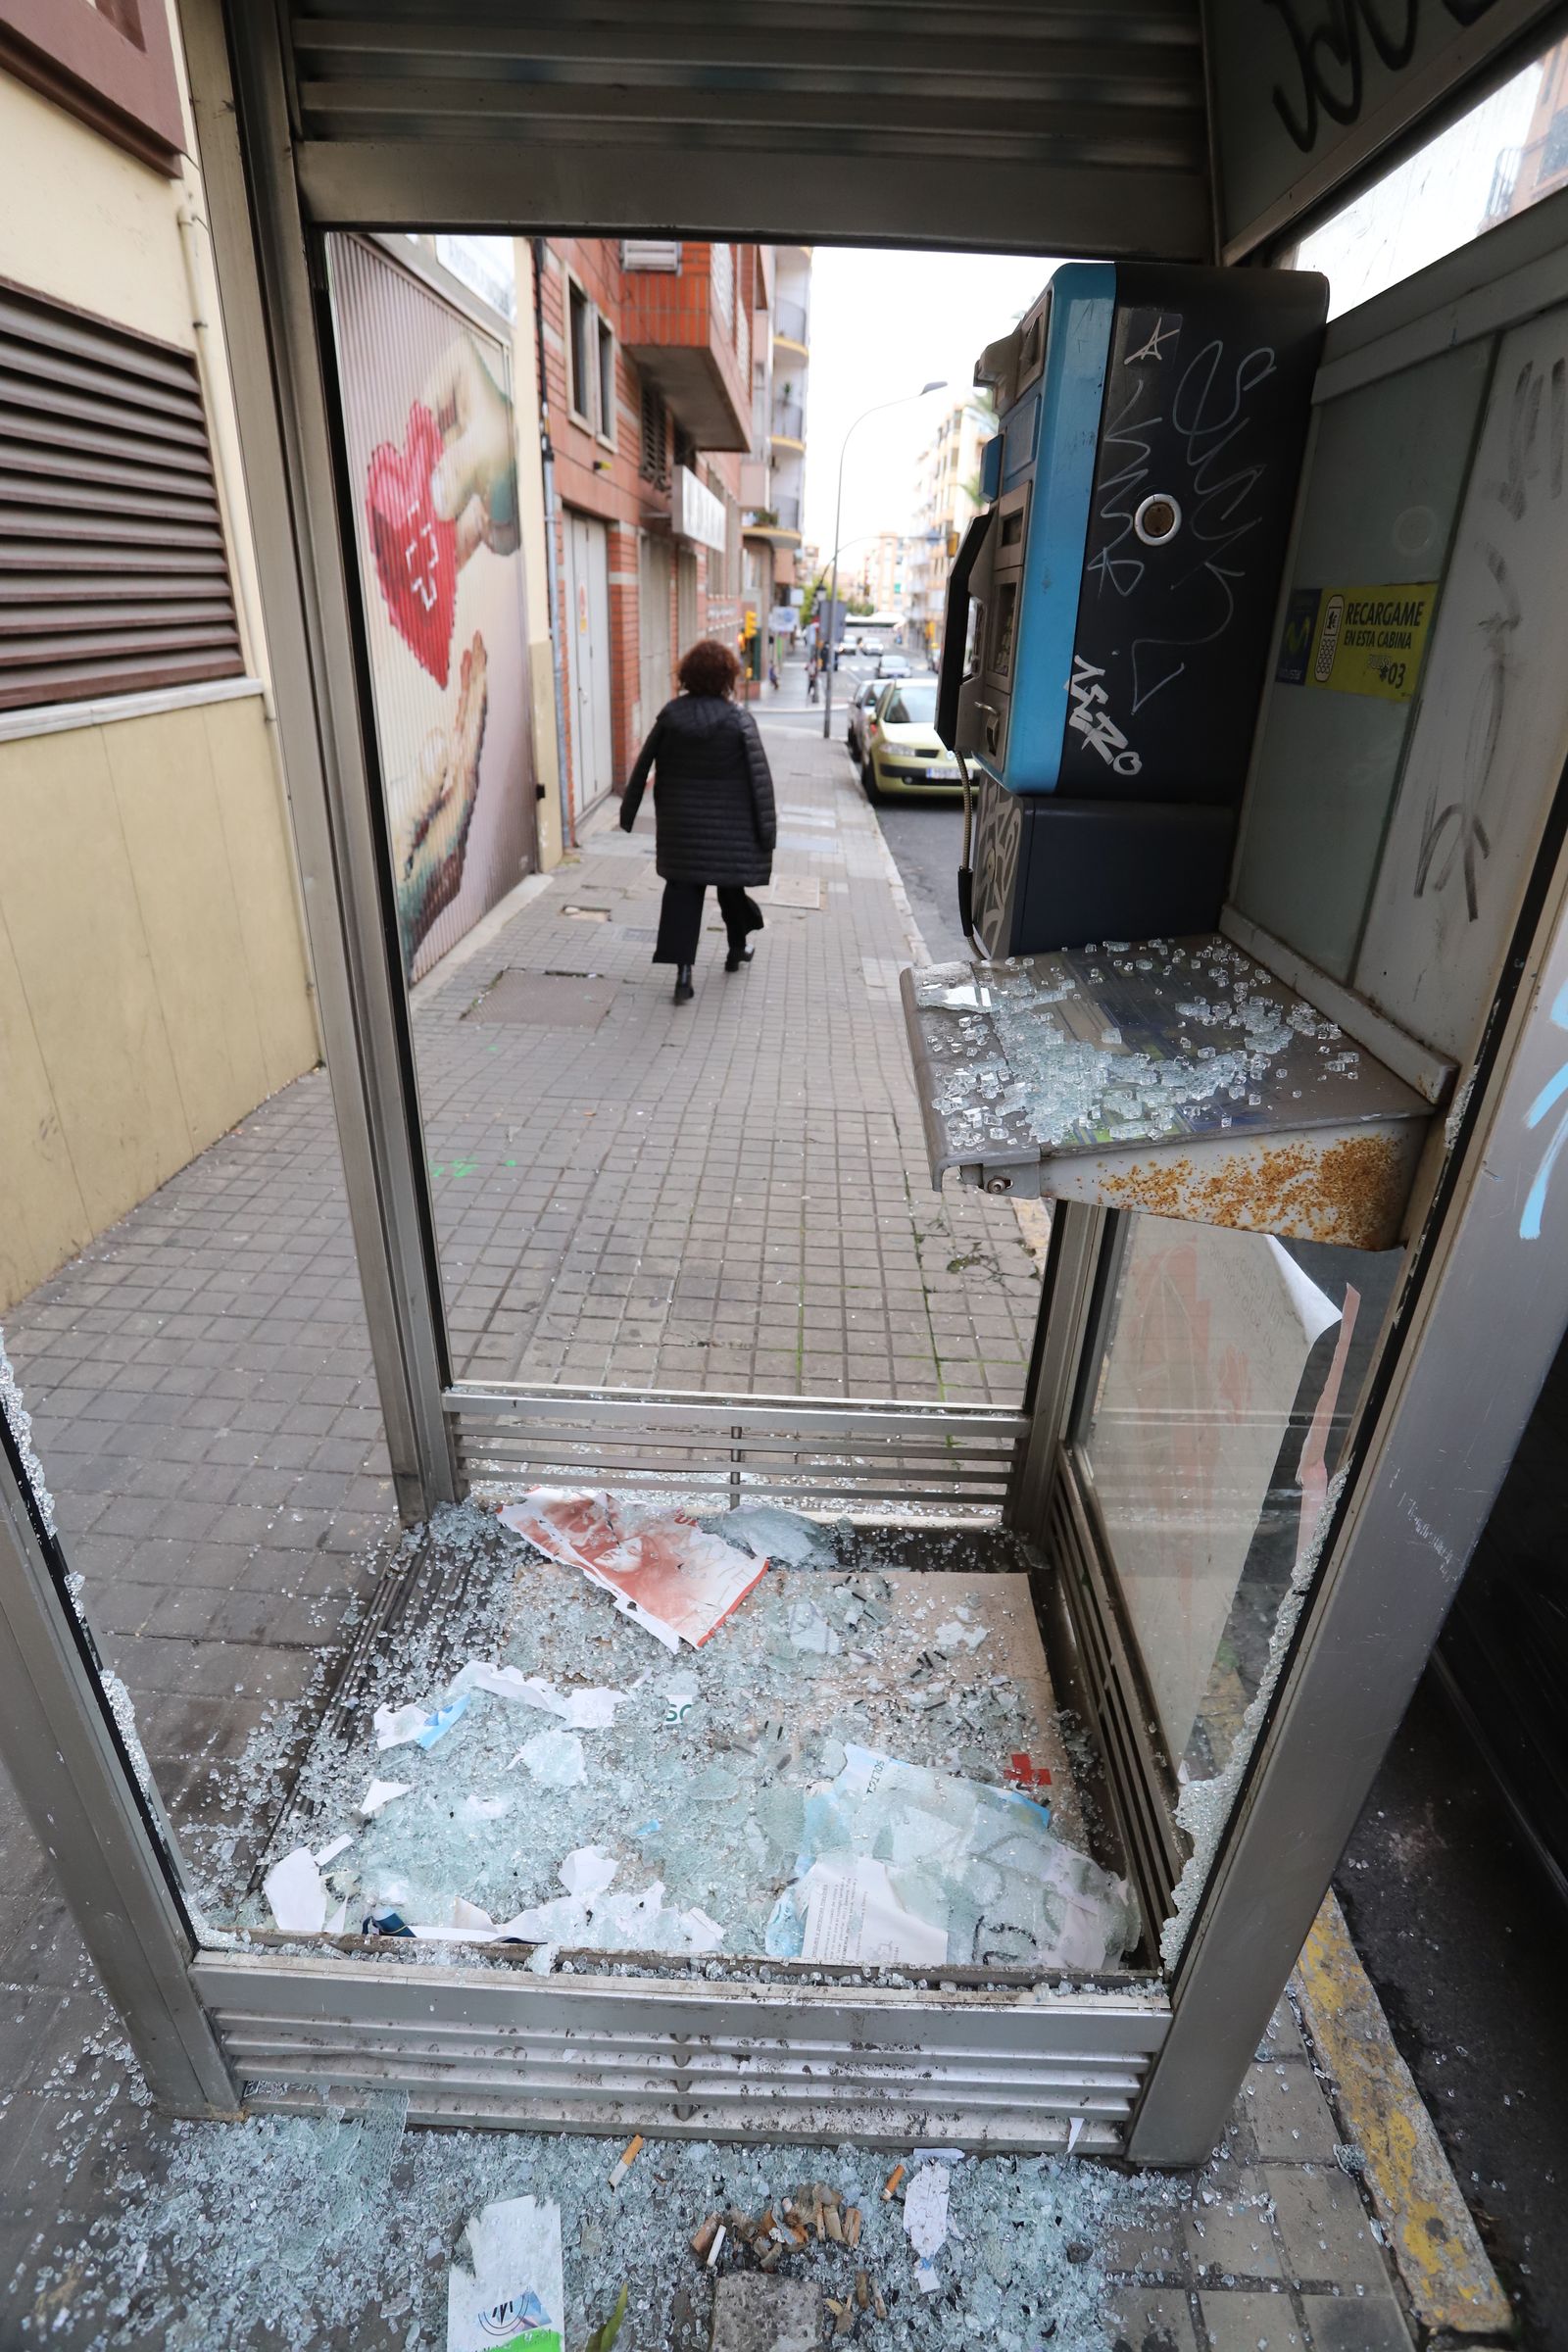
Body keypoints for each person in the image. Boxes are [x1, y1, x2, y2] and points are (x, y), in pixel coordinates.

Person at [620, 638, 776, 1004]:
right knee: (731, 890)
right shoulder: (739, 720)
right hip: (729, 831)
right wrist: (766, 833)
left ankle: (683, 977)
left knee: (682, 896)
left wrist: (627, 814)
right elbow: (760, 781)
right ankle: (737, 949)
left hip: (681, 830)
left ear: (687, 674)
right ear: (727, 677)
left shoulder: (670, 716)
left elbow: (642, 766)